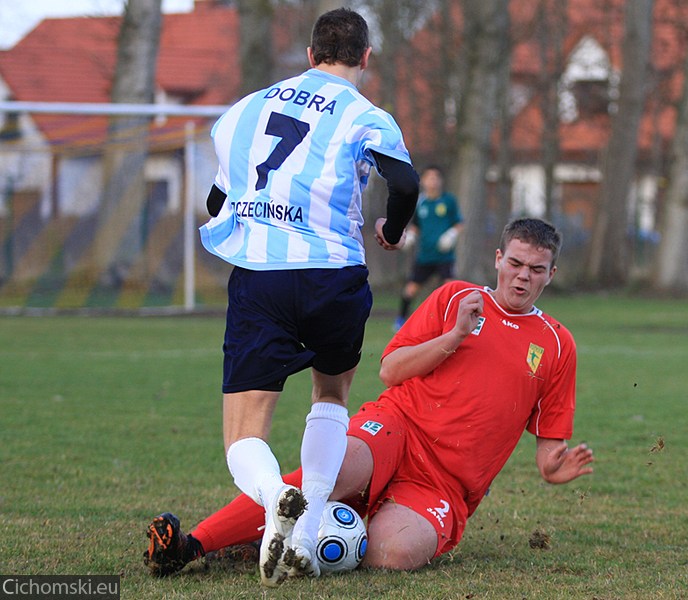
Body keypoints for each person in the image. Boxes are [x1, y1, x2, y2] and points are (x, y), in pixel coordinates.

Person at [145, 218, 594, 578]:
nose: (523, 277)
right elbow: (390, 370)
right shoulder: (456, 297)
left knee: (391, 553)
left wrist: (556, 467)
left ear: (551, 274)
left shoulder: (558, 344)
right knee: (333, 473)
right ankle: (191, 545)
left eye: (536, 270)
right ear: (499, 259)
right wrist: (456, 334)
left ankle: (277, 540)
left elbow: (548, 450)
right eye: (516, 263)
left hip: (446, 483)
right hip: (397, 427)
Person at [194, 8, 418, 587]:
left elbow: (218, 200)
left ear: (309, 53)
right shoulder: (365, 115)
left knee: (244, 433)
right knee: (331, 395)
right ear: (366, 58)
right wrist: (391, 232)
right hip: (333, 276)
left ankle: (275, 499)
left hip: (263, 274)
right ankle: (310, 521)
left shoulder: (245, 109)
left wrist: (239, 218)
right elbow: (406, 182)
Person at [394, 165, 463, 330]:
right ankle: (400, 321)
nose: (433, 181)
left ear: (441, 181)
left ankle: (453, 323)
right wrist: (410, 237)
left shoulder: (448, 201)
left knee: (451, 289)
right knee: (410, 290)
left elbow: (459, 223)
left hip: (444, 257)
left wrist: (451, 235)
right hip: (425, 256)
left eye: (436, 178)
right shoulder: (420, 202)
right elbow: (416, 226)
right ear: (423, 181)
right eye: (429, 178)